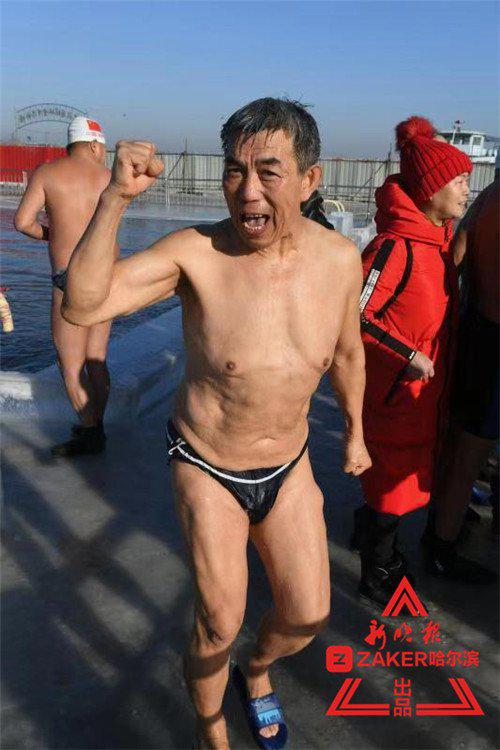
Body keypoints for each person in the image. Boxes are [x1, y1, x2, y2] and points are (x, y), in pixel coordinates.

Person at [61, 97, 371, 750]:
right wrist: (115, 199)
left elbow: (347, 353)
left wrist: (357, 430)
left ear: (310, 180)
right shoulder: (195, 255)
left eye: (268, 171)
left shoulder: (340, 261)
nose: (247, 190)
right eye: (235, 170)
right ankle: (212, 733)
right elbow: (84, 305)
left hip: (288, 464)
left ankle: (255, 671)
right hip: (207, 464)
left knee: (308, 614)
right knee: (217, 623)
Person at [357, 116, 472, 608]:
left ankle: (375, 542)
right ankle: (378, 571)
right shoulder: (395, 247)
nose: (467, 189)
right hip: (396, 394)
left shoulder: (436, 242)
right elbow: (355, 315)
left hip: (422, 395)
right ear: (431, 190)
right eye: (460, 181)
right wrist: (406, 355)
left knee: (399, 482)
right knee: (389, 483)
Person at [14, 117, 113, 456]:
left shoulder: (48, 173)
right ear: (94, 145)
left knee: (71, 365)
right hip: (106, 278)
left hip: (68, 277)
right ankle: (96, 423)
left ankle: (91, 431)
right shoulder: (109, 178)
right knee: (96, 360)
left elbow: (22, 222)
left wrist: (52, 234)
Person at [422, 154, 499, 582]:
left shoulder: (486, 198)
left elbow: (457, 255)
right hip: (494, 344)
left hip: (475, 331)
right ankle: (442, 546)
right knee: (471, 453)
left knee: (459, 444)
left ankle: (441, 522)